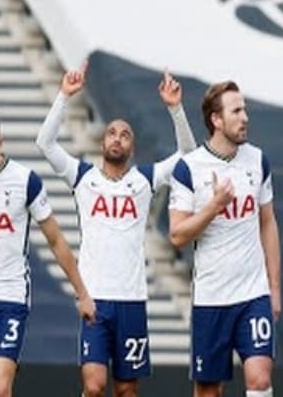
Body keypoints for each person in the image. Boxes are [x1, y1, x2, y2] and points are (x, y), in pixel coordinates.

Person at [35, 62, 197, 397]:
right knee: (93, 387)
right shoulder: (83, 178)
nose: (117, 138)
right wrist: (64, 96)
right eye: (112, 132)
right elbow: (45, 144)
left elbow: (187, 154)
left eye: (125, 135)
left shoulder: (144, 180)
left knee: (126, 389)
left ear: (131, 148)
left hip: (132, 300)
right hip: (95, 299)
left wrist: (176, 109)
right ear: (103, 142)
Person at [0, 108, 96, 397]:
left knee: (0, 389)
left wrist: (82, 293)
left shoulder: (25, 181)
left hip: (10, 299)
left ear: (0, 142)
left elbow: (55, 240)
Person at [168, 80, 281, 397]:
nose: (245, 117)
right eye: (236, 111)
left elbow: (268, 223)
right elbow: (177, 233)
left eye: (245, 110)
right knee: (208, 390)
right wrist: (214, 206)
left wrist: (274, 288)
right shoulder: (189, 168)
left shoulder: (257, 161)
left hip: (253, 293)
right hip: (211, 297)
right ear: (216, 120)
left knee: (259, 380)